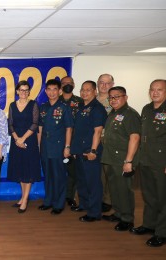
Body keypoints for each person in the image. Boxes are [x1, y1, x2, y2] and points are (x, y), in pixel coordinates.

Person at [130, 79, 166, 247]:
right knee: (149, 196)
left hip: (161, 162)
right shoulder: (146, 109)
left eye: (159, 89)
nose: (155, 92)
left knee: (163, 198)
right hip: (146, 159)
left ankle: (162, 232)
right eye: (152, 89)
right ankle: (149, 225)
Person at [101, 86, 140, 231]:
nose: (113, 100)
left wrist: (128, 161)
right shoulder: (113, 113)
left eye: (117, 97)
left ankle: (127, 219)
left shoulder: (130, 114)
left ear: (126, 97)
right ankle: (118, 213)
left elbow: (135, 137)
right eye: (111, 97)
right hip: (110, 158)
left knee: (124, 190)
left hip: (122, 160)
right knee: (115, 188)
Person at [70, 81, 107, 222]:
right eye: (83, 90)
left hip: (90, 152)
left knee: (93, 183)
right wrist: (74, 149)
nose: (85, 93)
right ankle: (84, 204)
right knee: (82, 181)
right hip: (79, 150)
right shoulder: (80, 107)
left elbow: (97, 132)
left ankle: (94, 212)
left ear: (95, 92)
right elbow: (78, 130)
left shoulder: (97, 108)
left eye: (88, 90)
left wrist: (93, 151)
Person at [38, 79, 74, 215]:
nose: (52, 92)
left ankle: (59, 204)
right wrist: (39, 146)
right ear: (46, 91)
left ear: (59, 91)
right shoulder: (43, 107)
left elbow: (69, 128)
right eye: (49, 89)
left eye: (55, 89)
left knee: (59, 176)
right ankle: (48, 201)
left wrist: (67, 147)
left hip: (59, 147)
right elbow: (40, 128)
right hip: (45, 147)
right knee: (48, 176)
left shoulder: (64, 107)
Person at [7, 81, 41, 213]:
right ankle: (23, 196)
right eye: (21, 90)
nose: (24, 92)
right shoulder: (12, 105)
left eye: (26, 90)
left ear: (29, 92)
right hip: (16, 143)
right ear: (17, 91)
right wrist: (17, 139)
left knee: (28, 170)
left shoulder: (33, 105)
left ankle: (25, 199)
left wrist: (23, 139)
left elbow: (34, 123)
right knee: (21, 170)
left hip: (29, 141)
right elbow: (10, 124)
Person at [59, 76, 83, 208]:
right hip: (58, 142)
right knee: (59, 172)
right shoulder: (56, 101)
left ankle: (70, 197)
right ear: (61, 86)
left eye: (69, 83)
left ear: (73, 85)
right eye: (64, 83)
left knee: (74, 172)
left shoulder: (80, 102)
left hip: (74, 142)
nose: (67, 85)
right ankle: (59, 196)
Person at [97, 73, 115, 213]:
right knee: (98, 173)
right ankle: (99, 197)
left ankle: (108, 200)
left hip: (108, 140)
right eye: (101, 82)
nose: (104, 85)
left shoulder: (114, 101)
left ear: (112, 85)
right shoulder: (92, 99)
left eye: (107, 83)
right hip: (93, 140)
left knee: (108, 172)